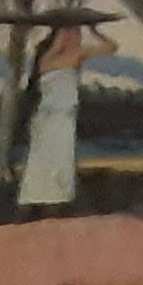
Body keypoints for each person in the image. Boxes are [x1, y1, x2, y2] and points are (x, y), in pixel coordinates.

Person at [19, 22, 95, 210]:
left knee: (60, 161)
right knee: (44, 161)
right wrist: (62, 38)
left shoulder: (72, 56)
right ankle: (39, 202)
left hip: (63, 118)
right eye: (74, 34)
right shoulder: (50, 59)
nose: (78, 38)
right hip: (50, 118)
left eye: (79, 34)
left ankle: (53, 202)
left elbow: (111, 47)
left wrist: (95, 31)